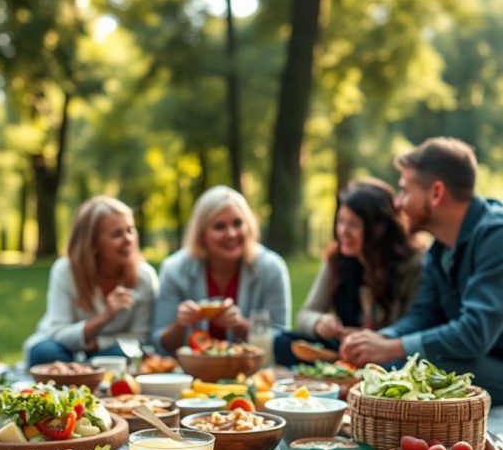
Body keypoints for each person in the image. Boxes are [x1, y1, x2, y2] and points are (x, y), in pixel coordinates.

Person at [340, 137, 503, 404]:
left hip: (493, 364)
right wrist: (380, 339)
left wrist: (392, 348)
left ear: (436, 193)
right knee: (394, 365)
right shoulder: (439, 248)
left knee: (407, 370)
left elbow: (475, 333)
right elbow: (424, 314)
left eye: (405, 191)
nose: (398, 203)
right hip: (473, 360)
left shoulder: (496, 236)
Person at [272, 179, 423, 366]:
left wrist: (374, 339)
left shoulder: (411, 265)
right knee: (283, 342)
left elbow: (414, 325)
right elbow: (305, 314)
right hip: (344, 348)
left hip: (387, 352)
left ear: (379, 229)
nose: (343, 231)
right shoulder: (337, 259)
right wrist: (320, 322)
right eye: (341, 222)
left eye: (353, 225)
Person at [152, 185, 291, 353]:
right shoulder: (174, 269)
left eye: (238, 223)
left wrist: (240, 325)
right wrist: (180, 324)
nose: (231, 234)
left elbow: (282, 340)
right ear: (201, 234)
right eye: (219, 226)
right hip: (191, 373)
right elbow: (159, 345)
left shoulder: (271, 268)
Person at [24, 196, 158, 367]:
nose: (128, 240)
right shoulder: (65, 270)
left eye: (130, 230)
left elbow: (139, 337)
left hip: (111, 349)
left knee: (121, 354)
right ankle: (83, 372)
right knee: (45, 352)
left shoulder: (144, 277)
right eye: (117, 234)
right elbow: (57, 332)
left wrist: (97, 344)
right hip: (63, 348)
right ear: (92, 244)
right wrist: (105, 317)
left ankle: (82, 372)